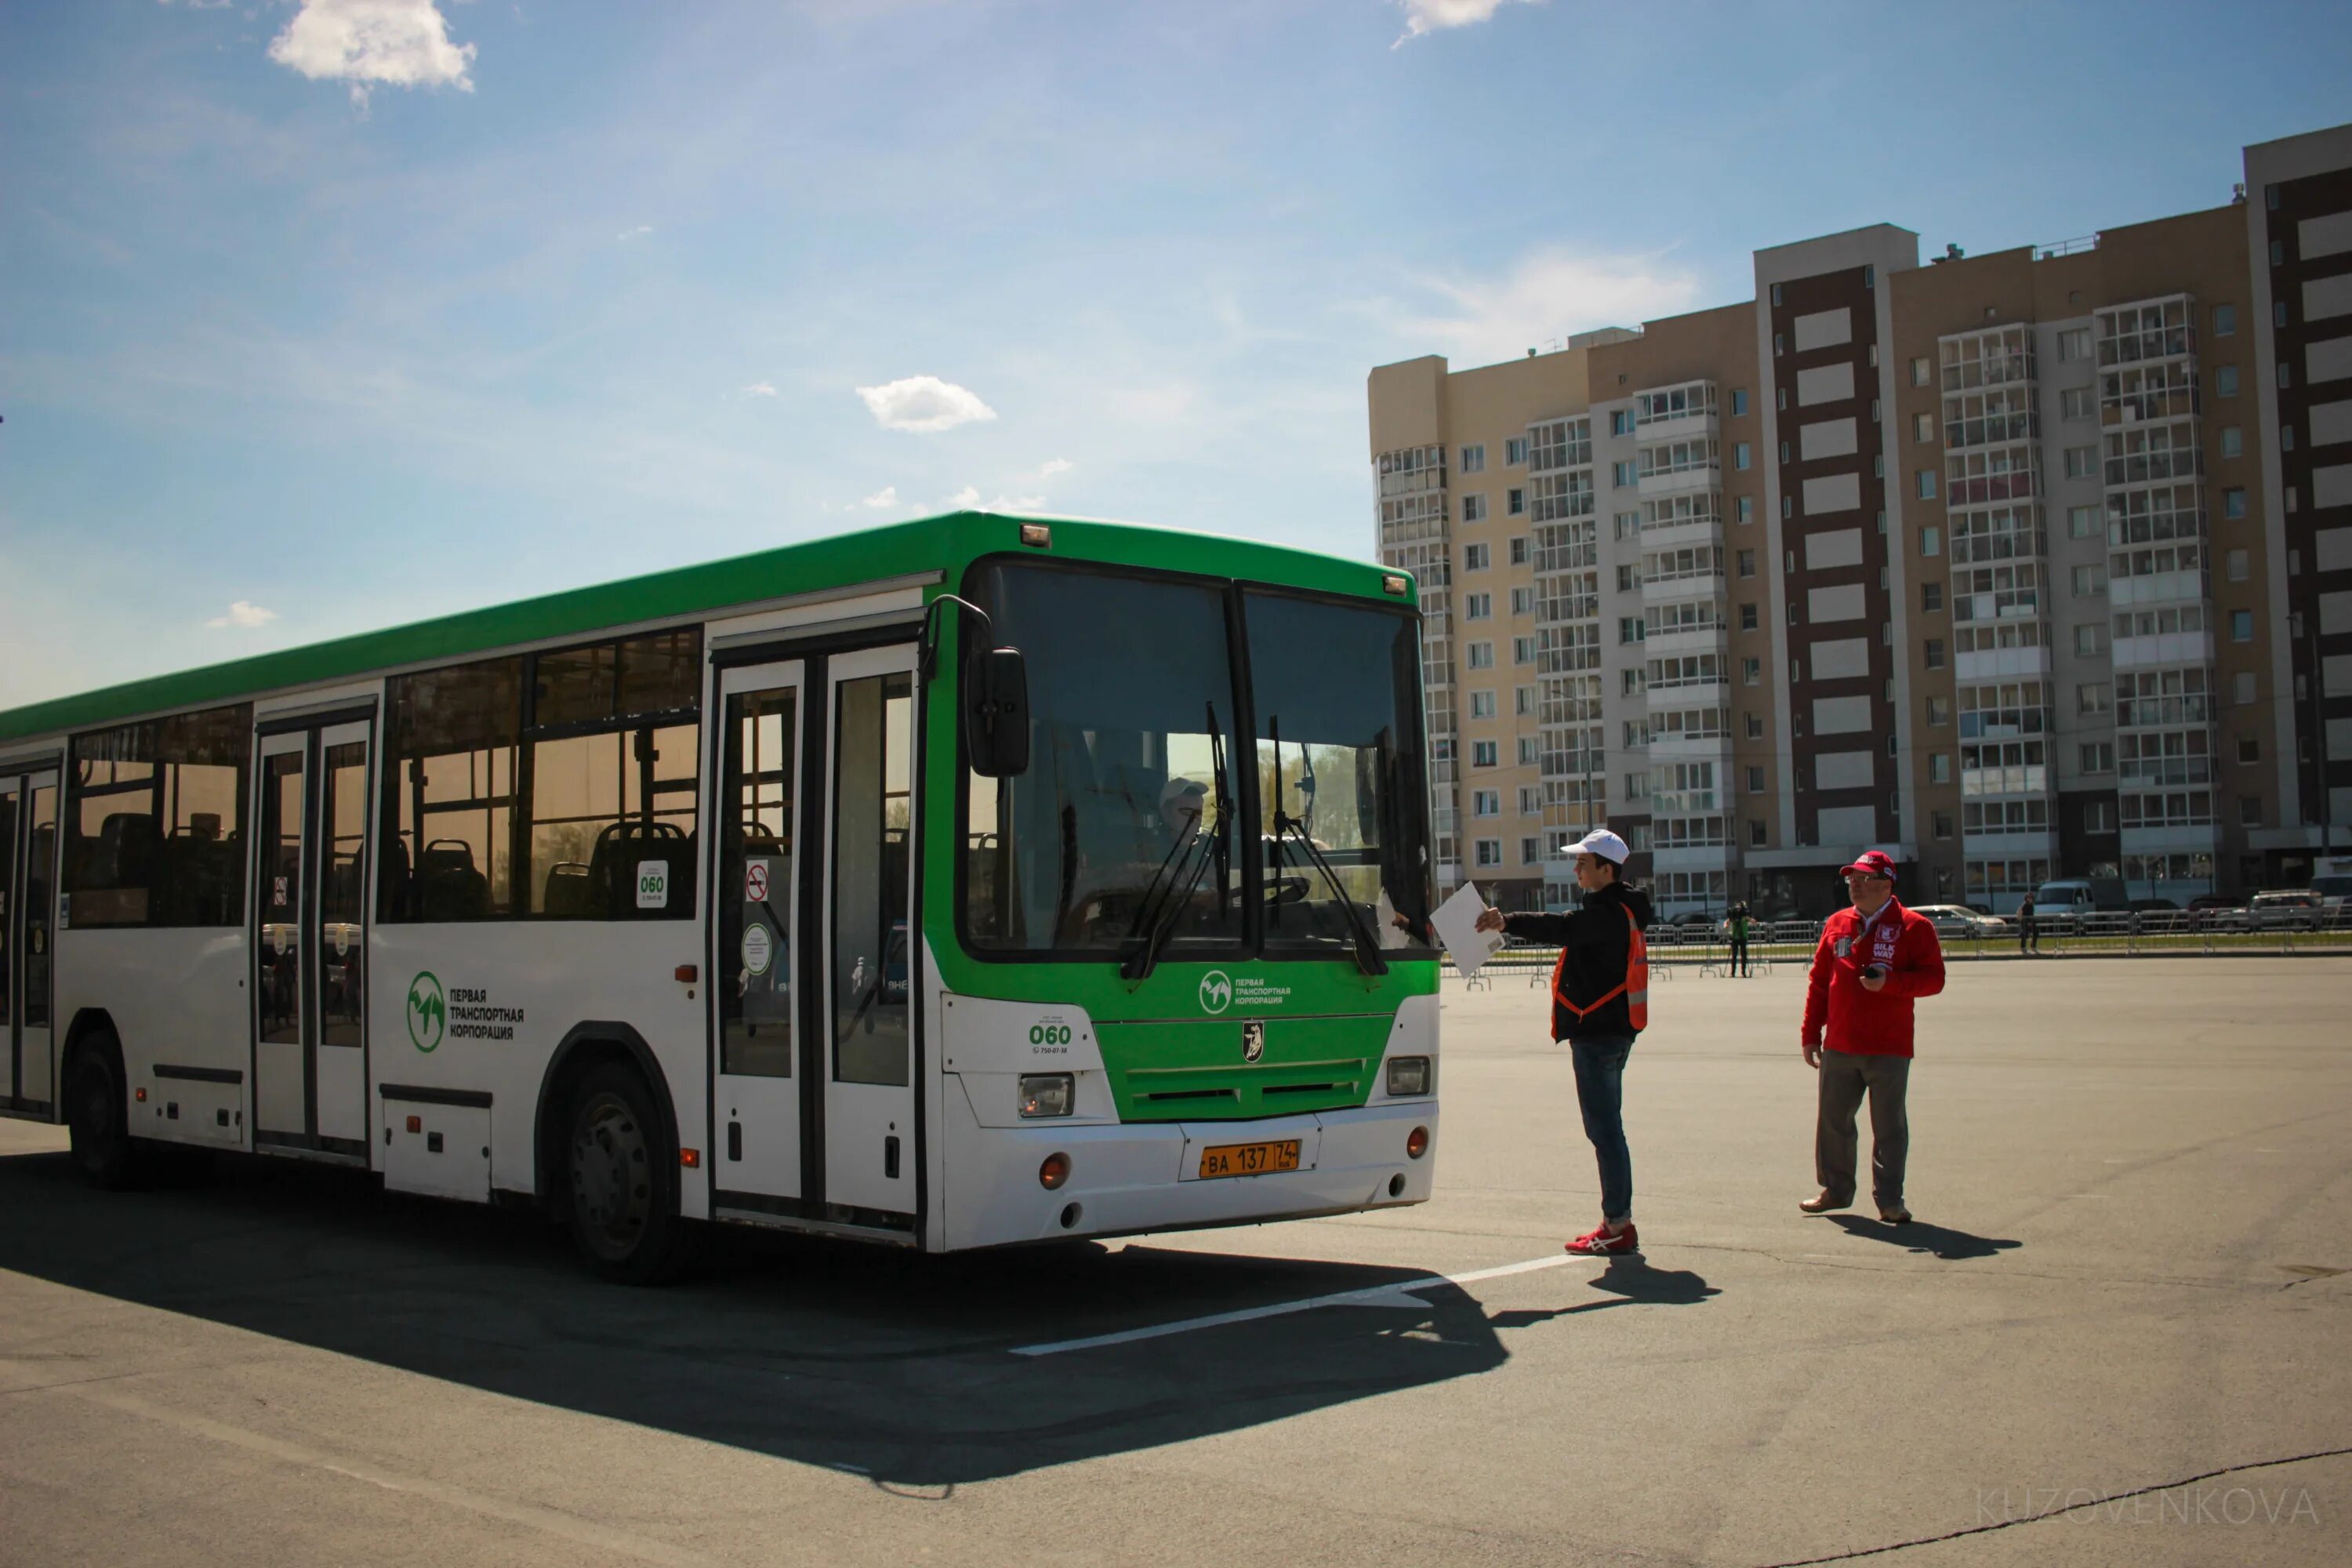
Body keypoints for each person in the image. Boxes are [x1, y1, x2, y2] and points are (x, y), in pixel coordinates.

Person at [1475, 828, 1653, 1255]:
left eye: (1583, 863)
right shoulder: (1622, 908)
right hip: (1612, 1032)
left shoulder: (1608, 913)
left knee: (1605, 1131)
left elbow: (1563, 928)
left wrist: (1509, 921)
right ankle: (1617, 1221)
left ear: (1606, 870)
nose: (1576, 869)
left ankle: (1617, 1225)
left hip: (1598, 1035)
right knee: (1608, 1128)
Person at [1799, 850, 1945, 1225]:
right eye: (1851, 879)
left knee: (1889, 1127)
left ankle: (1890, 1199)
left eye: (1863, 879)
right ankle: (1836, 1190)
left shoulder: (1914, 927)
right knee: (1833, 1123)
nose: (1855, 885)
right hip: (1841, 1045)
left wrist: (1890, 984)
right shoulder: (1837, 923)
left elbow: (1933, 980)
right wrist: (1810, 1033)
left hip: (1888, 1047)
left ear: (1886, 884)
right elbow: (1819, 983)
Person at [1724, 900, 1752, 978]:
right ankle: (1733, 972)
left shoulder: (1744, 917)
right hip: (1735, 937)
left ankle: (1743, 972)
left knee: (1744, 956)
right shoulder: (1734, 916)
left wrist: (1750, 919)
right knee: (1734, 955)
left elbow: (1752, 921)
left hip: (1743, 936)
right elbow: (1727, 922)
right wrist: (1726, 925)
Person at [2017, 891, 2038, 956]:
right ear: (2026, 898)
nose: (2030, 899)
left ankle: (2033, 946)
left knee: (2036, 932)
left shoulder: (2031, 905)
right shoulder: (2025, 905)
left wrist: (2031, 921)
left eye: (2031, 897)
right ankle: (2023, 948)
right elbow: (2020, 913)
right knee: (2024, 934)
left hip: (2031, 921)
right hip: (2025, 922)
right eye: (2028, 898)